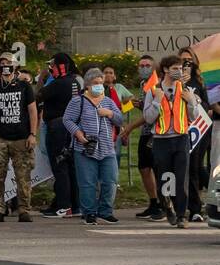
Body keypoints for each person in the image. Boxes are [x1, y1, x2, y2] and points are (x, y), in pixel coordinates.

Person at [143, 54, 203, 228]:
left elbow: (194, 116)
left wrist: (191, 101)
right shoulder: (153, 90)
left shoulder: (185, 89)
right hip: (161, 140)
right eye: (175, 68)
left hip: (181, 138)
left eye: (180, 68)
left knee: (181, 177)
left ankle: (181, 215)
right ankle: (167, 207)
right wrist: (157, 101)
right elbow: (147, 118)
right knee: (165, 177)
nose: (179, 71)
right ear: (165, 70)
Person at [0, 53, 38, 222]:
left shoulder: (24, 86)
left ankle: (24, 209)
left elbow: (32, 110)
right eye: (2, 63)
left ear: (15, 66)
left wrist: (32, 134)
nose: (5, 66)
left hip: (21, 137)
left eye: (8, 63)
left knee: (23, 176)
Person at [65, 67, 124, 225]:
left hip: (107, 148)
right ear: (88, 84)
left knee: (110, 180)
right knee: (87, 183)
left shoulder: (108, 102)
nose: (99, 86)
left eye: (101, 83)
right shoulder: (78, 101)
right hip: (85, 148)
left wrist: (110, 114)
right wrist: (78, 134)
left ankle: (105, 211)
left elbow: (120, 119)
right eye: (96, 83)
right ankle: (89, 212)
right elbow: (67, 120)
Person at [39, 52, 81, 218]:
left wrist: (42, 78)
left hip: (57, 127)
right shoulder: (75, 82)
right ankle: (75, 205)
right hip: (72, 127)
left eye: (53, 65)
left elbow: (39, 94)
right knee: (70, 166)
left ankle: (64, 205)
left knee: (59, 166)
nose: (51, 68)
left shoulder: (58, 84)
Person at [122, 54, 162, 219]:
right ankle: (153, 203)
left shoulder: (157, 85)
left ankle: (163, 203)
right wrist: (138, 105)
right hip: (146, 131)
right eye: (141, 65)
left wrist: (130, 127)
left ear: (154, 68)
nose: (144, 68)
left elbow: (153, 113)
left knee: (157, 167)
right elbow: (146, 111)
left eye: (147, 65)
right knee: (144, 168)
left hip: (157, 132)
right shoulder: (143, 84)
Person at [179, 47, 211, 223]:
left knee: (196, 166)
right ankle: (190, 207)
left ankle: (197, 208)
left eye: (188, 60)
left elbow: (207, 104)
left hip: (198, 128)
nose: (185, 64)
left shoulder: (199, 81)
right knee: (187, 168)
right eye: (182, 60)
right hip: (180, 128)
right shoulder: (175, 81)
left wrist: (195, 99)